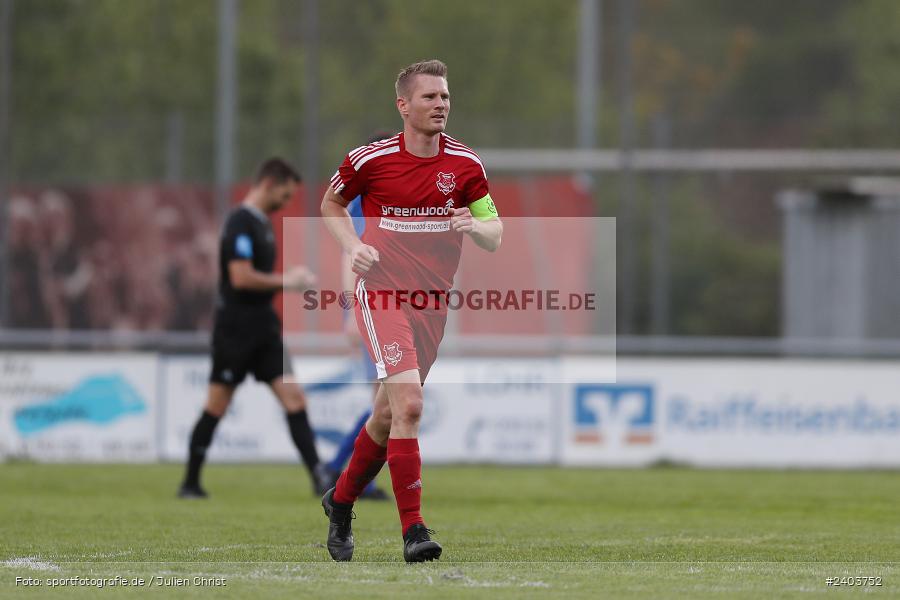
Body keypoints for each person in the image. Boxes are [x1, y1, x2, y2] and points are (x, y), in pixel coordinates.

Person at [320, 60, 503, 562]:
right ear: (404, 106)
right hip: (381, 294)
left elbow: (495, 233)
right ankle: (414, 531)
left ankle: (339, 502)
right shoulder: (369, 160)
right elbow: (330, 205)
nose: (440, 104)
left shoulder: (466, 166)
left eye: (444, 96)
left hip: (432, 304)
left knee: (385, 414)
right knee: (411, 406)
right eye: (429, 97)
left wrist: (474, 225)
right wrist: (351, 245)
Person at [178, 157, 330, 499]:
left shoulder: (260, 223)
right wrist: (287, 282)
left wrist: (283, 282)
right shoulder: (239, 222)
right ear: (268, 184)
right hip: (235, 330)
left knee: (294, 397)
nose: (286, 202)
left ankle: (320, 479)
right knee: (217, 404)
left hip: (265, 328)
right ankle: (190, 482)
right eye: (285, 194)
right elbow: (240, 277)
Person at [319, 133, 394, 502]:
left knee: (384, 403)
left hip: (391, 308)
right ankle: (339, 470)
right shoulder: (363, 201)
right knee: (387, 403)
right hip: (373, 310)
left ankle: (345, 471)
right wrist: (351, 313)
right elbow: (352, 255)